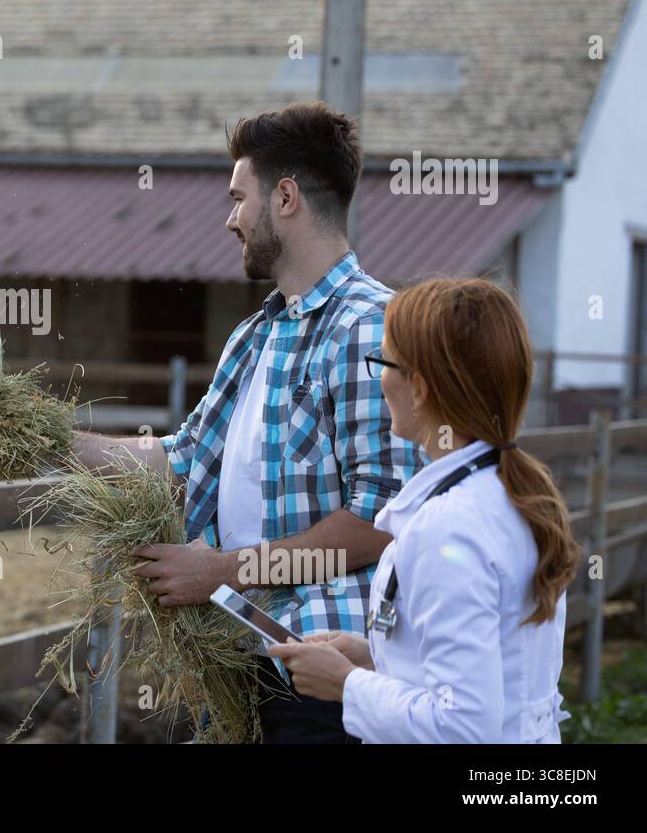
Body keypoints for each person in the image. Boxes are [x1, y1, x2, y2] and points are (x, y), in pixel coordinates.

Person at [74, 102, 421, 742]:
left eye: (239, 198)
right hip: (241, 659)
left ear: (285, 198)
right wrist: (46, 439)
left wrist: (222, 572)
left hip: (324, 668)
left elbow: (380, 520)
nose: (230, 218)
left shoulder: (370, 326)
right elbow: (180, 462)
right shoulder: (256, 335)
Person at [268, 278, 580, 743]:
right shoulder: (513, 495)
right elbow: (492, 672)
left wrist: (346, 685)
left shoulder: (450, 527)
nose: (380, 380)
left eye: (383, 363)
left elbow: (463, 727)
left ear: (419, 388)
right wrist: (376, 656)